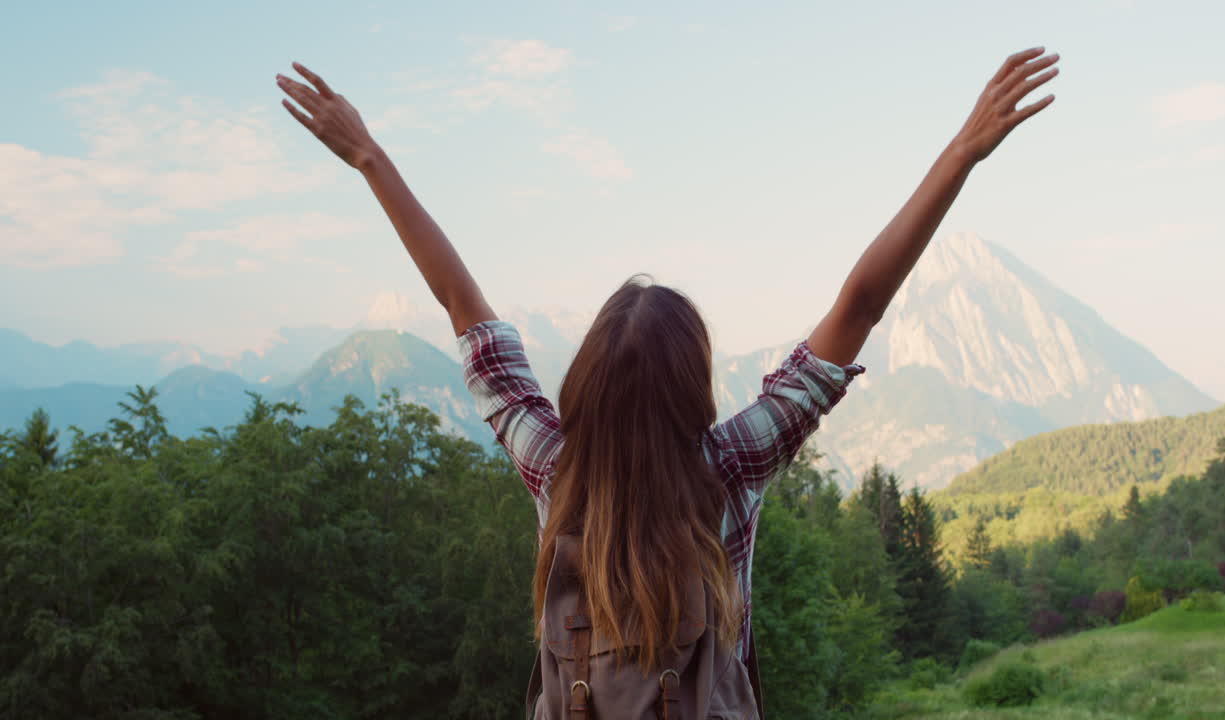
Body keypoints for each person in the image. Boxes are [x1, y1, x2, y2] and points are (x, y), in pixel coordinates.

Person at [277, 45, 1058, 718]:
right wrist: (961, 151)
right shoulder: (734, 468)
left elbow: (462, 306)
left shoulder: (554, 471)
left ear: (584, 386)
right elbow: (859, 306)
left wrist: (370, 157)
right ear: (695, 390)